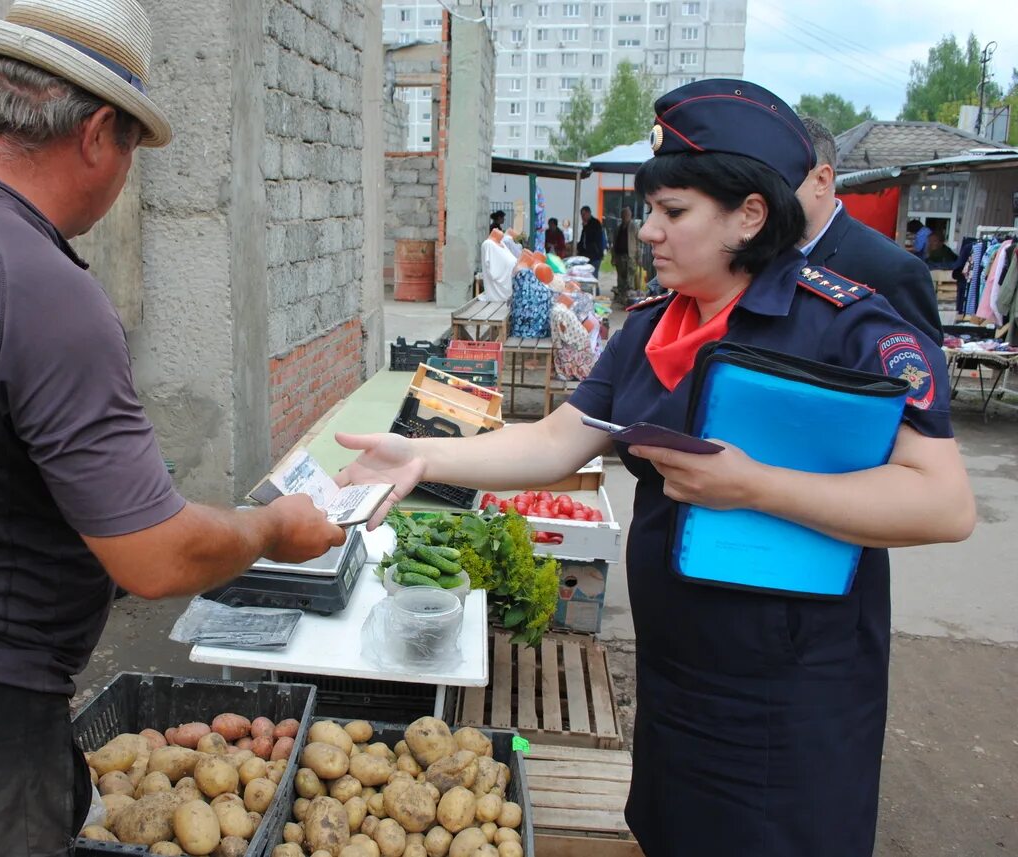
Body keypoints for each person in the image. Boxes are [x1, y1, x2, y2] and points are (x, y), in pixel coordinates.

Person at [335, 78, 974, 857]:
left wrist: (757, 485)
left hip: (794, 692)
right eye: (651, 211)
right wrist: (427, 452)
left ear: (749, 214)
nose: (650, 232)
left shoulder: (841, 327)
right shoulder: (652, 329)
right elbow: (558, 439)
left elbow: (943, 502)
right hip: (679, 675)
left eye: (674, 213)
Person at [0, 2, 345, 855]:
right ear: (96, 133)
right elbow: (155, 555)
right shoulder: (39, 284)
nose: (126, 174)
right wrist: (272, 527)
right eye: (133, 150)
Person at [797, 118, 943, 345]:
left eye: (781, 179)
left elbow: (919, 375)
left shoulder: (892, 270)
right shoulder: (757, 257)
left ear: (821, 180)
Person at [612, 205, 639, 302]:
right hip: (619, 256)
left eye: (627, 214)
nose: (625, 216)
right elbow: (614, 242)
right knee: (620, 278)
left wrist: (637, 257)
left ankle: (628, 299)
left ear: (630, 215)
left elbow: (638, 242)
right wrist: (613, 257)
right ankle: (621, 296)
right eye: (623, 215)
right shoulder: (619, 228)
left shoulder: (633, 226)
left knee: (629, 278)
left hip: (630, 256)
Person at [576, 205, 605, 276]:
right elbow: (583, 240)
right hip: (586, 255)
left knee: (593, 275)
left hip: (594, 254)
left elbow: (591, 238)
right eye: (581, 215)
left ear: (589, 213)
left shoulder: (595, 223)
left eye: (584, 214)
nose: (582, 217)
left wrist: (585, 227)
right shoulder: (586, 225)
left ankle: (596, 287)